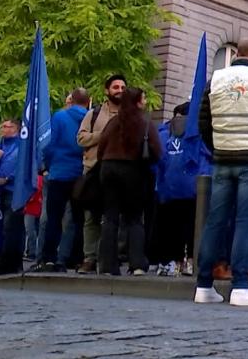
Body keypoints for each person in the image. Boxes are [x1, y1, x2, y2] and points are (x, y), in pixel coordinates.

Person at [194, 38, 248, 305]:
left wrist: (217, 147)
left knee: (215, 220)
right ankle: (241, 286)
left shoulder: (215, 80)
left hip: (222, 157)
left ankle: (203, 285)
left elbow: (203, 121)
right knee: (246, 222)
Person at [95, 88, 162, 276]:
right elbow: (157, 151)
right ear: (138, 102)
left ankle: (107, 265)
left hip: (108, 168)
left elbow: (101, 148)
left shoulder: (113, 122)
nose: (145, 102)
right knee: (134, 217)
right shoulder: (145, 123)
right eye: (143, 98)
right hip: (134, 170)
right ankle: (137, 263)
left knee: (110, 217)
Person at [31, 88, 90, 273]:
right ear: (88, 101)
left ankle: (49, 258)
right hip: (81, 174)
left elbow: (49, 144)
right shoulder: (91, 118)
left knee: (53, 218)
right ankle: (75, 258)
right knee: (78, 219)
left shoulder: (59, 117)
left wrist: (48, 165)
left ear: (71, 100)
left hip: (59, 172)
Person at [76, 74, 127, 274]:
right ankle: (90, 258)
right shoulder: (94, 113)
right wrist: (104, 134)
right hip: (93, 170)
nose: (120, 91)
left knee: (115, 217)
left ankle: (110, 257)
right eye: (116, 87)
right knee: (91, 217)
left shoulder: (130, 114)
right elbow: (81, 138)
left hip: (119, 173)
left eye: (123, 87)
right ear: (107, 91)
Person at [155, 102, 203, 277]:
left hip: (169, 186)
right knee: (190, 225)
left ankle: (173, 262)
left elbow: (159, 160)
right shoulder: (198, 134)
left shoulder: (165, 133)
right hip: (192, 186)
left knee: (171, 226)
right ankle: (189, 261)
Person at [0, 119, 24, 276]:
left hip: (13, 190)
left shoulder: (21, 145)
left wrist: (7, 177)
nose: (6, 129)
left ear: (17, 129)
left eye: (10, 126)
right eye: (4, 126)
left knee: (10, 226)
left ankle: (9, 262)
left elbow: (22, 166)